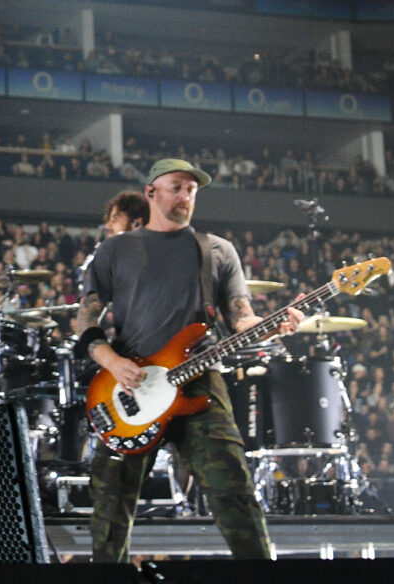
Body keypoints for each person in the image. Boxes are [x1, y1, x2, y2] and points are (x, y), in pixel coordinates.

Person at [75, 158, 299, 562]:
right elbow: (86, 316)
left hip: (199, 380)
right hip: (131, 382)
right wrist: (110, 361)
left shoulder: (216, 250)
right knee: (110, 508)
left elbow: (240, 317)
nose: (184, 196)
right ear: (151, 193)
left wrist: (274, 322)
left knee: (234, 491)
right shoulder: (115, 249)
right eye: (175, 187)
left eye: (191, 190)